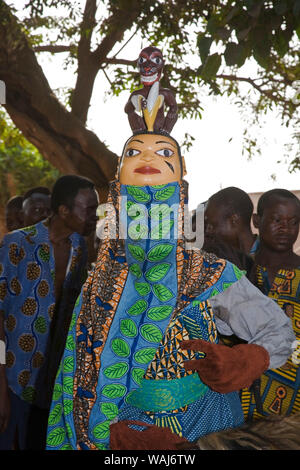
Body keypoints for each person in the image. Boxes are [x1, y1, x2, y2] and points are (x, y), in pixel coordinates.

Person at [45, 133, 296, 451]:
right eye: (135, 153)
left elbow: (278, 330)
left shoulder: (207, 274)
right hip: (128, 428)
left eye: (162, 154)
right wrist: (105, 433)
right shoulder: (101, 285)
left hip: (209, 425)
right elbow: (77, 378)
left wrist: (248, 359)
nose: (147, 158)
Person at [0, 174, 99, 450]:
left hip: (54, 385)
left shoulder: (80, 248)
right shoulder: (16, 245)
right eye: (88, 209)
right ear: (64, 211)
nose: (95, 215)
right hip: (12, 381)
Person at [240, 189, 300, 420]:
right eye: (277, 220)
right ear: (257, 221)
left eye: (293, 222)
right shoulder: (239, 272)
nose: (285, 228)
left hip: (293, 406)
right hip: (241, 396)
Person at [204, 187, 258, 256]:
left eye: (212, 225)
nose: (207, 231)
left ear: (234, 220)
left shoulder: (270, 257)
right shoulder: (219, 258)